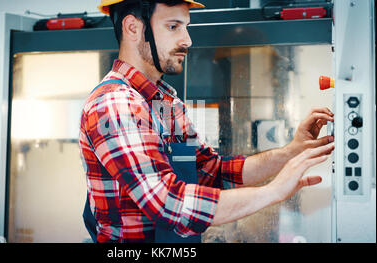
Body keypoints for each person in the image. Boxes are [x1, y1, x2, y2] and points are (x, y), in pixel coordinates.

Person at [79, 0, 335, 243]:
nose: (187, 40)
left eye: (185, 27)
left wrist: (292, 152)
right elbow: (170, 204)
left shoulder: (164, 102)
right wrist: (273, 192)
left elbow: (212, 172)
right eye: (173, 27)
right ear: (133, 28)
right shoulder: (115, 103)